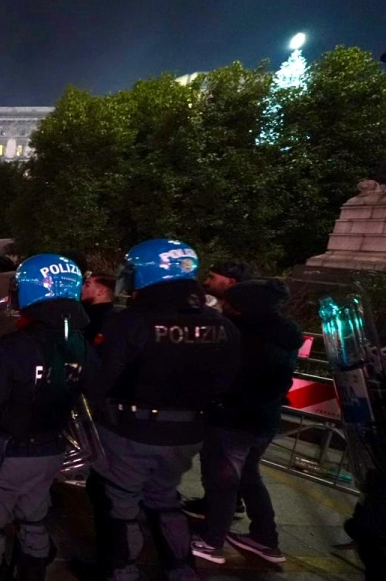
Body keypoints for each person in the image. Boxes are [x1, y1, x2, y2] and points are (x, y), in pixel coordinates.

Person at [87, 239, 241, 581]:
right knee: (164, 498)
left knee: (120, 503)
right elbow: (226, 383)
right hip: (187, 434)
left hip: (130, 430)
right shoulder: (222, 326)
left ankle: (120, 571)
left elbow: (100, 380)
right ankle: (181, 570)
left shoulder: (130, 322)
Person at [0, 254, 91, 581]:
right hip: (51, 449)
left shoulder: (15, 346)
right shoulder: (78, 342)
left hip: (5, 452)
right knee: (34, 520)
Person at [186, 279, 301, 565]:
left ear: (244, 307)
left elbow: (228, 378)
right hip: (265, 419)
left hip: (234, 420)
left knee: (222, 481)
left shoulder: (245, 337)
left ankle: (212, 542)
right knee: (249, 477)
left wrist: (217, 401)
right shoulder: (284, 334)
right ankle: (265, 538)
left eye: (229, 302)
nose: (224, 306)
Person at [81, 272, 118, 343]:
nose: (82, 288)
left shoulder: (109, 319)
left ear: (101, 291)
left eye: (87, 285)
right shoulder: (84, 310)